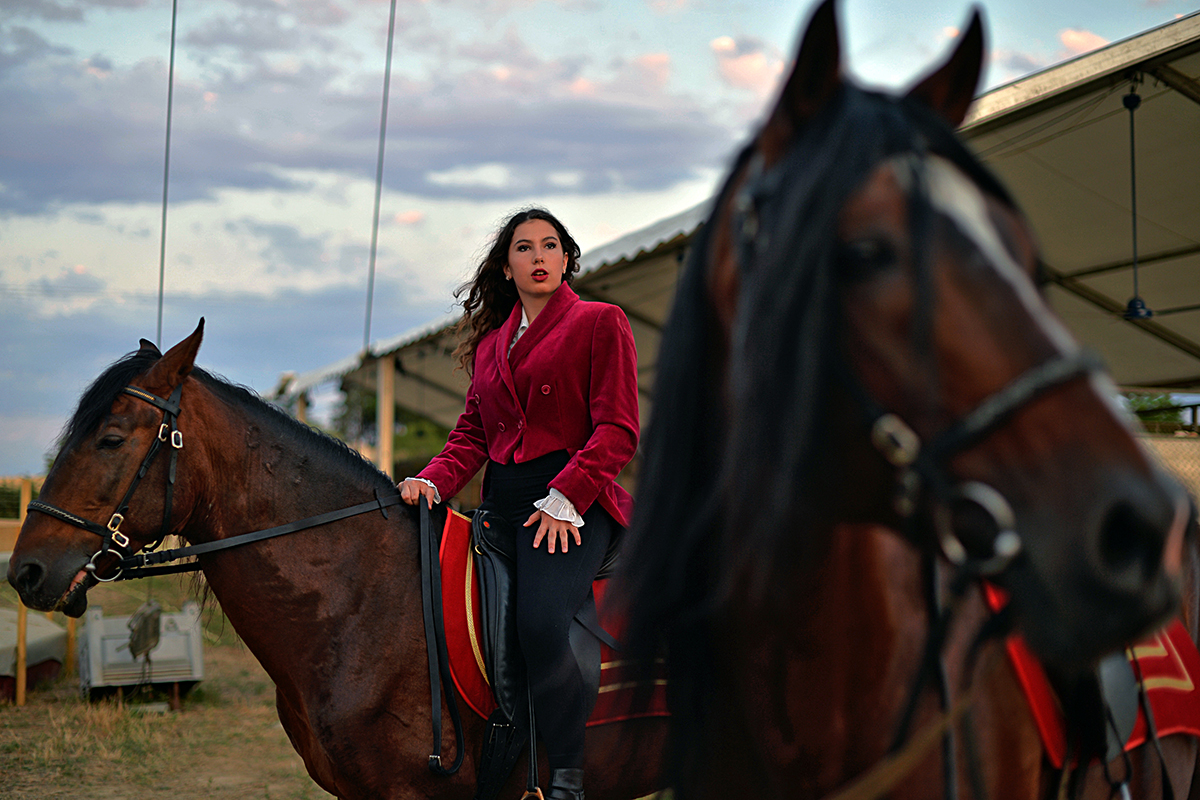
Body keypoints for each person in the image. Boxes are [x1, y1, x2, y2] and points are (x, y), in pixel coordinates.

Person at [399, 207, 639, 800]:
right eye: (524, 248)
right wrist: (431, 479)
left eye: (550, 245)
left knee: (538, 625)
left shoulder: (600, 322)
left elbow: (618, 430)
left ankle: (568, 777)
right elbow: (473, 436)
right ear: (506, 268)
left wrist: (567, 496)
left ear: (565, 259)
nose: (538, 257)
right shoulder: (491, 346)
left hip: (570, 505)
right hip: (500, 506)